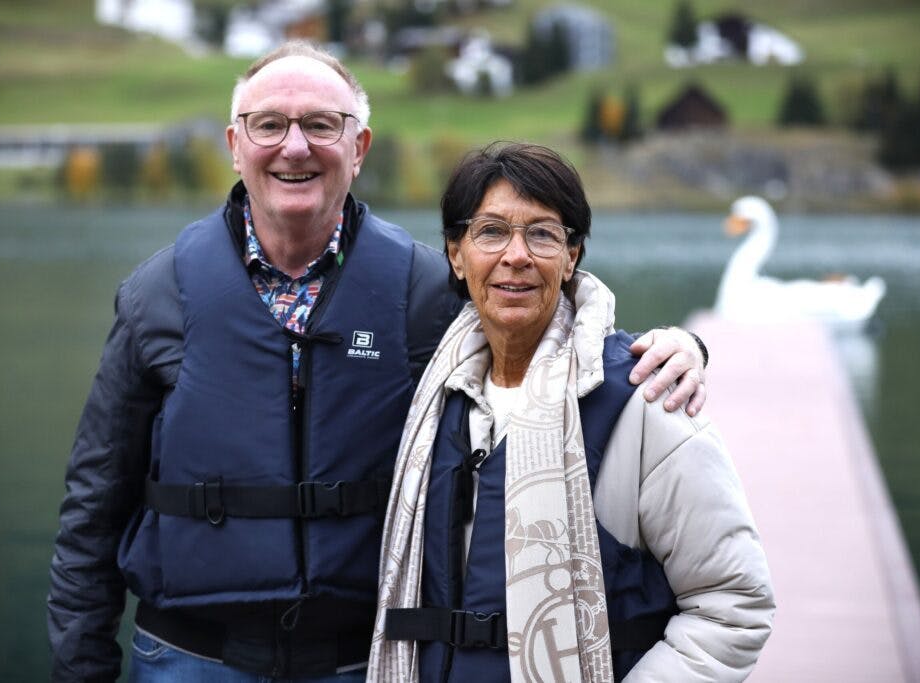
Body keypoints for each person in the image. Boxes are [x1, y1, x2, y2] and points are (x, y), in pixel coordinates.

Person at [46, 42, 710, 682]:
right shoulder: (157, 294)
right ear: (235, 145)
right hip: (187, 659)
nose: (296, 146)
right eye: (269, 125)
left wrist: (675, 347)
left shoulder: (421, 291)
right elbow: (93, 504)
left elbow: (547, 332)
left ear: (358, 148)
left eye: (321, 125)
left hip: (363, 662)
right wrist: (82, 667)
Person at [369, 143, 774, 682]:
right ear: (455, 254)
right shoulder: (432, 399)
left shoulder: (645, 400)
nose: (517, 255)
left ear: (572, 256)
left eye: (542, 233)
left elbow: (734, 605)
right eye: (491, 231)